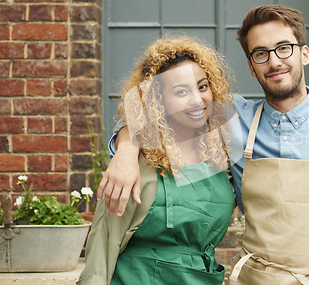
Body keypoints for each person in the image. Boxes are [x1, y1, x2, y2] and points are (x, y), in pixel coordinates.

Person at [100, 5, 309, 285]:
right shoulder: (231, 118)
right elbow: (153, 103)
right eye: (261, 53)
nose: (274, 61)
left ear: (303, 53)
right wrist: (127, 150)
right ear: (251, 65)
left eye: (284, 48)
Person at [78, 36, 238, 284]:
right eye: (181, 91)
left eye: (203, 86)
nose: (197, 99)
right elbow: (103, 241)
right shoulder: (135, 162)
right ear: (157, 101)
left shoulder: (222, 156)